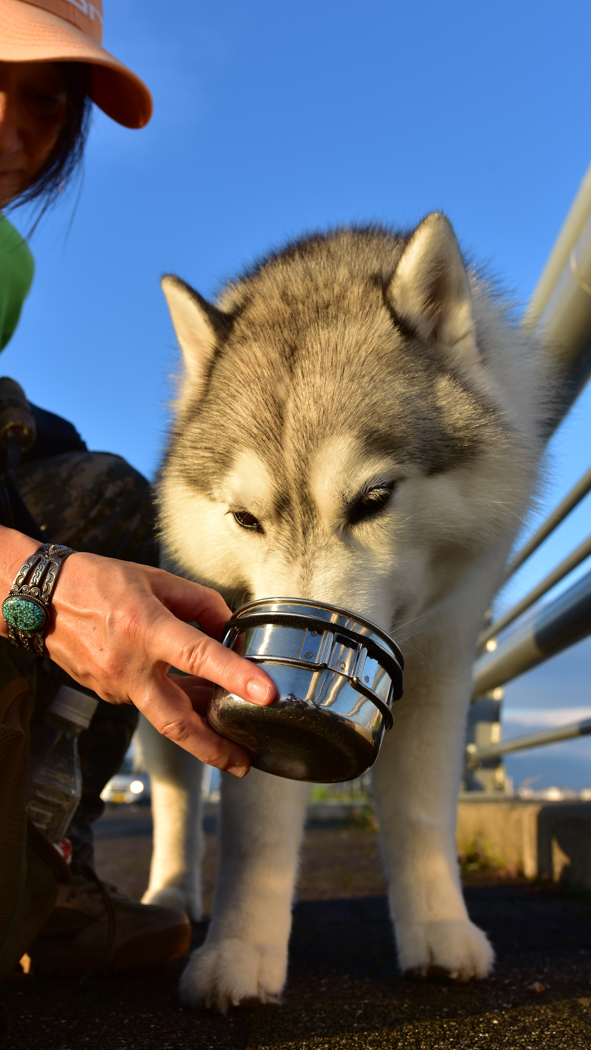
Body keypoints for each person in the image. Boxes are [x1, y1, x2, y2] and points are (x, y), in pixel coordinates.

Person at [0, 0, 275, 977]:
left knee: (119, 507)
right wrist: (29, 581)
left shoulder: (6, 261)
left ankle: (43, 861)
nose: (14, 127)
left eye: (45, 98)